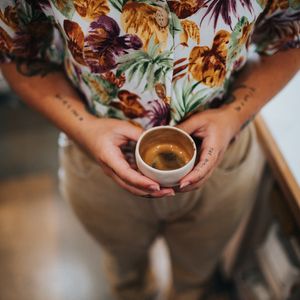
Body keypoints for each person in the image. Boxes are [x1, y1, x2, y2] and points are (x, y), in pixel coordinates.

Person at [0, 0, 299, 299]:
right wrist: (84, 128)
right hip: (99, 170)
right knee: (127, 279)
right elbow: (14, 53)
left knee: (194, 282)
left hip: (222, 167)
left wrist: (232, 116)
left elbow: (291, 38)